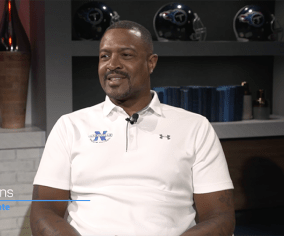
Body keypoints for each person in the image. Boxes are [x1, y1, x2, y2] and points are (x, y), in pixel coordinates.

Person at [30, 20, 235, 236]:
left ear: (151, 63)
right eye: (104, 56)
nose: (112, 64)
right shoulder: (69, 126)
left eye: (126, 55)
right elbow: (43, 210)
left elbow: (220, 217)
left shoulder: (195, 127)